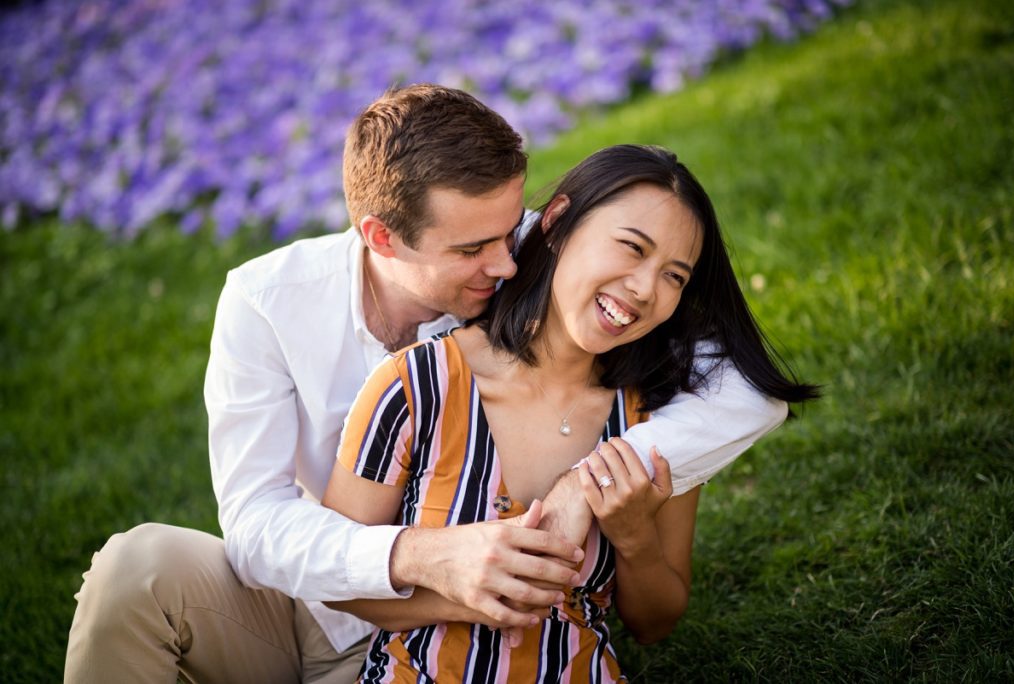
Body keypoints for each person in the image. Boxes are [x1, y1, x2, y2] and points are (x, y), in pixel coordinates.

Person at [65, 86, 790, 683]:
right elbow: (254, 529)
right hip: (306, 609)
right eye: (474, 249)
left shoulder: (547, 260)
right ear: (383, 238)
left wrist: (586, 491)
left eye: (512, 232)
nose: (506, 265)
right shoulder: (266, 303)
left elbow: (750, 389)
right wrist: (426, 557)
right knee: (137, 569)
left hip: (449, 643)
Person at [320, 144, 818, 681]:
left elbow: (656, 621)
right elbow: (339, 582)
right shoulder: (414, 386)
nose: (646, 288)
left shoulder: (655, 421)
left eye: (675, 276)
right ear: (556, 222)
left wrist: (631, 535)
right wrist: (470, 595)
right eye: (631, 247)